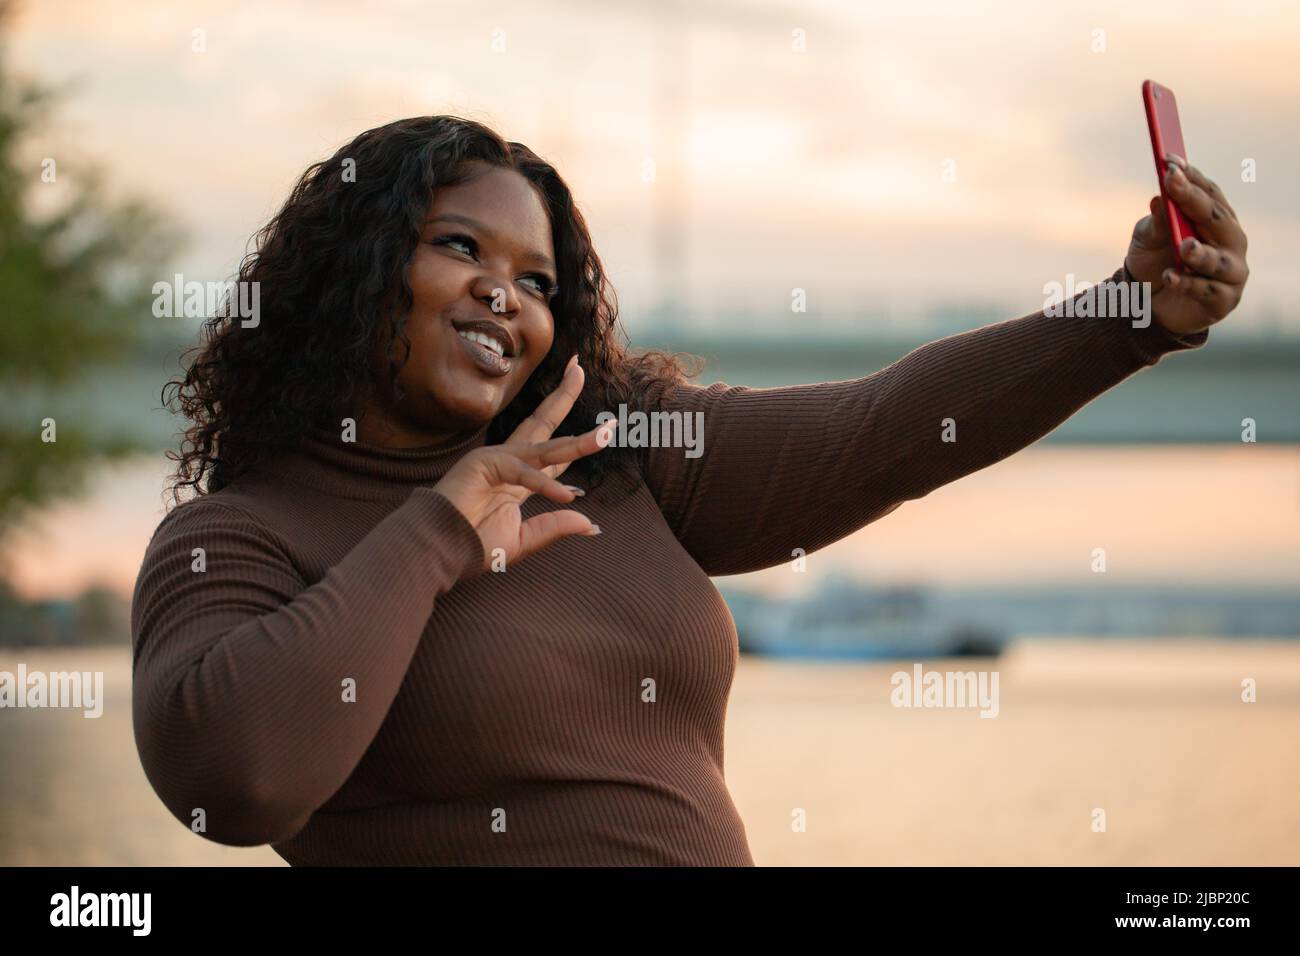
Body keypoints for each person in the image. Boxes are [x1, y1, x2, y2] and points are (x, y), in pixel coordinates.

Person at [131, 115, 1249, 865]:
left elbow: (880, 427)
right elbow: (235, 778)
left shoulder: (619, 455)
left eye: (536, 281)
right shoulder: (239, 537)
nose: (502, 296)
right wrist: (437, 529)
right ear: (353, 275)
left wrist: (1130, 313)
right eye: (457, 246)